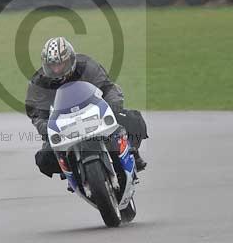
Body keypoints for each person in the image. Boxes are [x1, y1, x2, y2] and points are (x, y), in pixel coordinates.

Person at [25, 36, 148, 178]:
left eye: (61, 64)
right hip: (64, 123)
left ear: (70, 59)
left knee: (133, 119)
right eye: (52, 65)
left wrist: (113, 106)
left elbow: (108, 88)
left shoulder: (86, 65)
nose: (57, 69)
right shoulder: (39, 82)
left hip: (94, 113)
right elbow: (36, 112)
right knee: (43, 158)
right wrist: (44, 125)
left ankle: (131, 152)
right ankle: (71, 171)